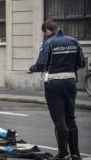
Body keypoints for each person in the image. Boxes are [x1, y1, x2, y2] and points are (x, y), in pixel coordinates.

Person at [27, 20, 85, 160]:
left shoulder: (49, 43)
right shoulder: (74, 41)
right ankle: (75, 154)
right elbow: (82, 63)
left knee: (59, 118)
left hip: (54, 84)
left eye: (45, 33)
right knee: (70, 117)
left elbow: (41, 65)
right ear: (57, 28)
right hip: (70, 82)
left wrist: (32, 69)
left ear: (47, 31)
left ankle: (63, 153)